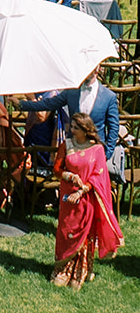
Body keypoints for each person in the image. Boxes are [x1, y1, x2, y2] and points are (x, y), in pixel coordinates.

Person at [50, 113, 122, 290]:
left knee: (85, 234)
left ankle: (81, 270)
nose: (72, 130)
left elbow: (98, 175)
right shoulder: (66, 145)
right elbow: (57, 169)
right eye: (72, 126)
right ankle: (63, 269)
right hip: (68, 196)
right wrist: (70, 176)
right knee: (66, 230)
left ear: (86, 129)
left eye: (76, 128)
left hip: (87, 196)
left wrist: (82, 190)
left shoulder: (96, 149)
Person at [16, 66, 120, 160]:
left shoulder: (109, 96)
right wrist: (21, 105)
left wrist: (107, 153)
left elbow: (114, 127)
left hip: (96, 152)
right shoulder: (71, 92)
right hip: (73, 150)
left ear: (97, 69)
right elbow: (48, 104)